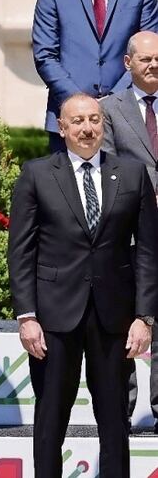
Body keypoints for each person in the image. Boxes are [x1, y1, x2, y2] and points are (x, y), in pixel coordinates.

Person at [9, 93, 157, 478]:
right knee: (50, 416)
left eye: (94, 119)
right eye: (77, 121)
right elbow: (21, 252)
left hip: (114, 317)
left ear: (103, 124)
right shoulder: (37, 174)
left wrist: (144, 316)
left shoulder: (132, 174)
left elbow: (147, 251)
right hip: (54, 316)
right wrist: (27, 316)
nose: (87, 128)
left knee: (114, 418)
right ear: (62, 128)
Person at [33, 0, 158, 152]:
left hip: (128, 118)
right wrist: (82, 104)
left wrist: (113, 101)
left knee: (127, 190)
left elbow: (148, 49)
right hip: (69, 118)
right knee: (67, 190)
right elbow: (45, 55)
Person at [101, 30, 158, 431]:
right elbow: (103, 168)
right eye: (145, 59)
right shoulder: (109, 108)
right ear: (128, 63)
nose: (153, 65)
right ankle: (120, 410)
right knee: (125, 323)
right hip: (128, 233)